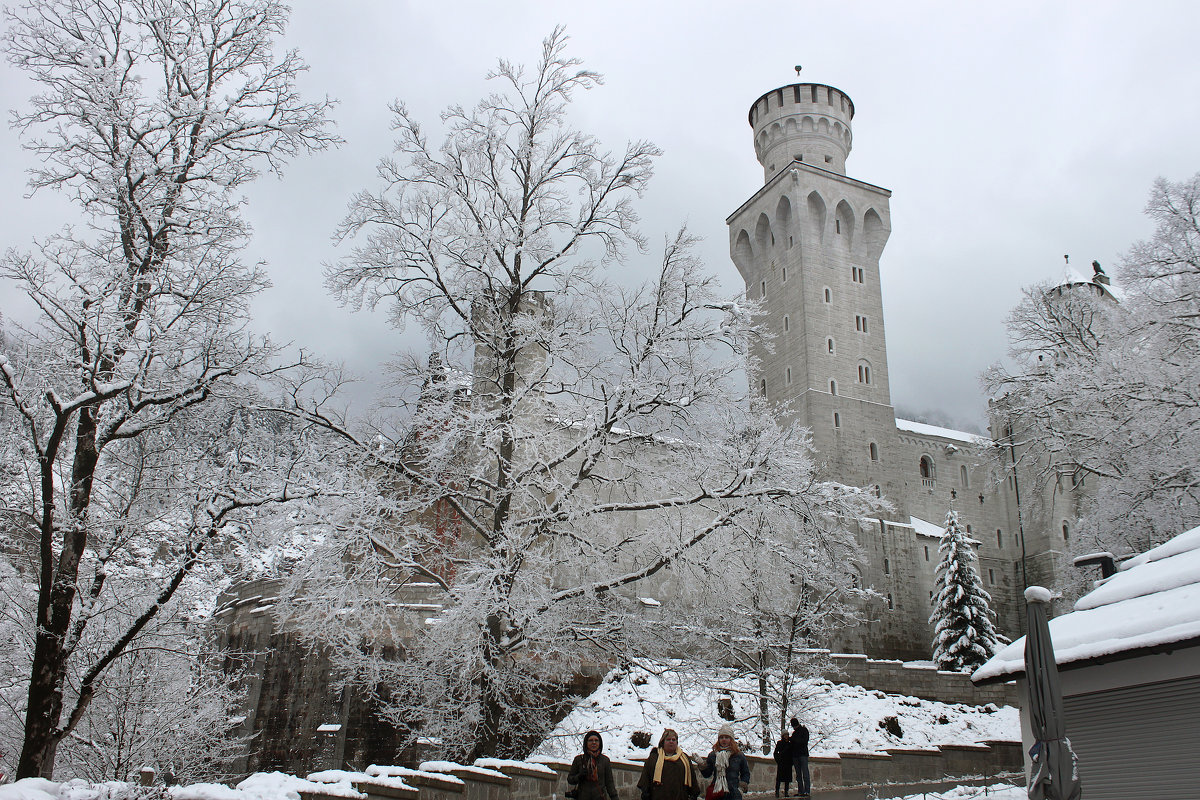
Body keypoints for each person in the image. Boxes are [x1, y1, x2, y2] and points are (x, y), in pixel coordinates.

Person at [638, 728, 699, 800]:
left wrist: (693, 795)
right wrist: (646, 794)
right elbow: (646, 777)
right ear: (663, 742)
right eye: (668, 739)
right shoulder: (654, 758)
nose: (671, 742)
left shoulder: (684, 759)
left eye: (673, 740)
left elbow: (692, 779)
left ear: (677, 742)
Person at [699, 724, 751, 800]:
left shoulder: (738, 755)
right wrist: (702, 765)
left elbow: (745, 773)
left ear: (731, 739)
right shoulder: (713, 755)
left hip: (734, 793)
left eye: (727, 737)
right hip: (717, 792)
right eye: (721, 737)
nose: (724, 740)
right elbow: (707, 774)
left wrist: (741, 788)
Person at [567, 730, 619, 800]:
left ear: (600, 743)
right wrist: (579, 776)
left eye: (596, 740)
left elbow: (609, 783)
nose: (594, 743)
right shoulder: (579, 759)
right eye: (590, 740)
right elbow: (570, 779)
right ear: (586, 743)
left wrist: (614, 797)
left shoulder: (605, 760)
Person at [789, 718, 810, 798]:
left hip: (802, 754)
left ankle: (806, 790)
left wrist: (794, 740)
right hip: (796, 755)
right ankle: (801, 791)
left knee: (805, 773)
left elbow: (804, 741)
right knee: (799, 775)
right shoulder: (795, 733)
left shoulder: (804, 730)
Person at [772, 729, 793, 798]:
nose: (786, 736)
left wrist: (791, 762)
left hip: (788, 763)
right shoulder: (779, 743)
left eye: (787, 735)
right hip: (782, 763)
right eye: (785, 735)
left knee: (787, 779)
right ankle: (777, 791)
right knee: (779, 778)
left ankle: (786, 791)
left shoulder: (790, 744)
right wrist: (778, 760)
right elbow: (775, 753)